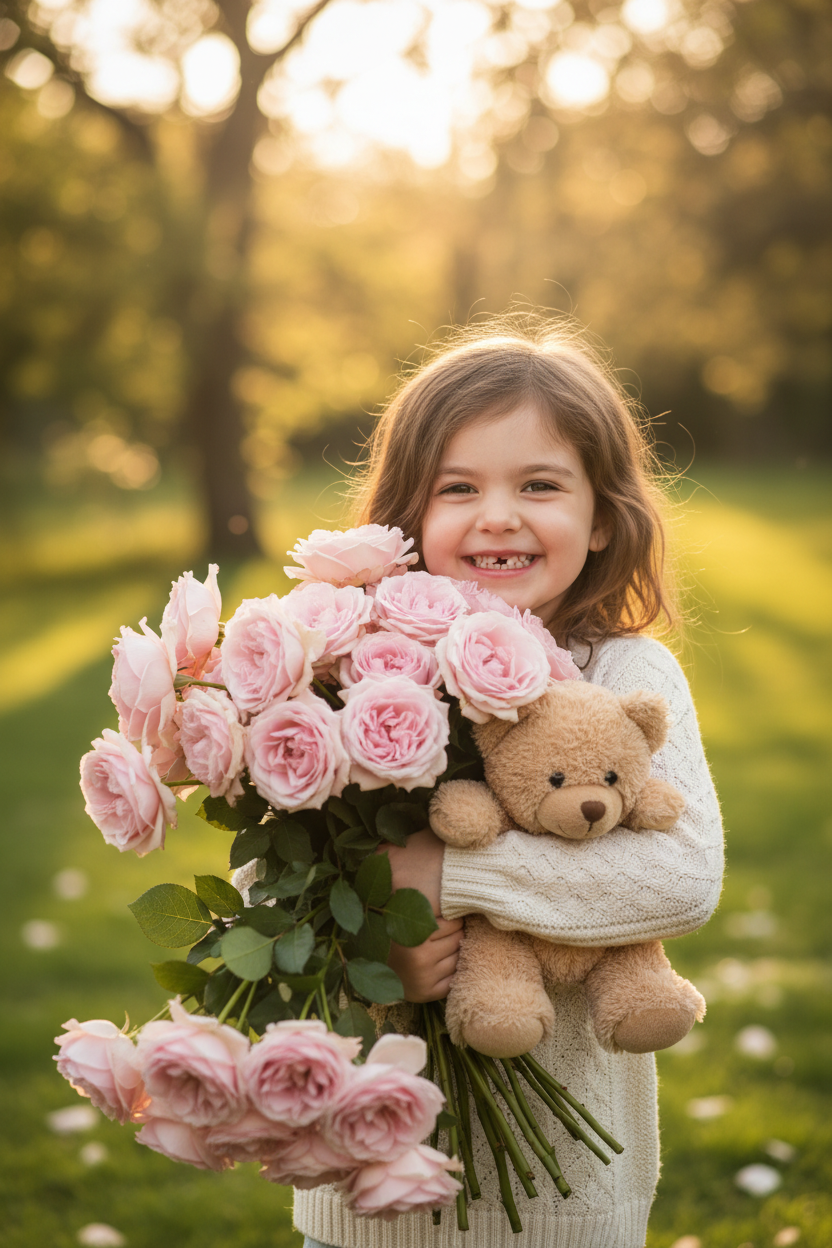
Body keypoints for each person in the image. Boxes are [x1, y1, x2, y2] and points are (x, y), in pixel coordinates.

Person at [295, 316, 724, 1248]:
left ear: (602, 516)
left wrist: (450, 878)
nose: (498, 515)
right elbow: (274, 887)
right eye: (459, 488)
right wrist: (374, 936)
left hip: (565, 1201)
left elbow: (681, 876)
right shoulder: (352, 675)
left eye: (539, 484)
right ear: (407, 518)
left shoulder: (629, 675)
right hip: (368, 1192)